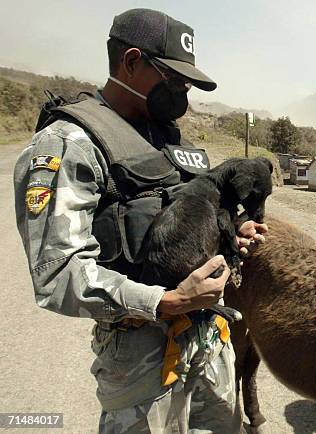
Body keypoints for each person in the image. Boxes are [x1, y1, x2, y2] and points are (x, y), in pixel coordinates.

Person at [13, 8, 267, 433]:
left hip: (210, 345)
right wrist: (165, 302)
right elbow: (57, 273)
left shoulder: (168, 137)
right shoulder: (70, 144)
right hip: (141, 361)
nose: (183, 91)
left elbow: (187, 211)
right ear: (131, 62)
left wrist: (229, 232)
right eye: (175, 79)